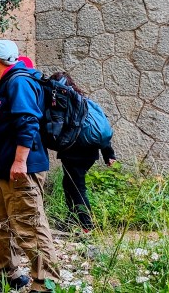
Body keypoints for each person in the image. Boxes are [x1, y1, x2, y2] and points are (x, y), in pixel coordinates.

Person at [0, 40, 59, 293]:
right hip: (4, 168)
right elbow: (0, 120)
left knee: (29, 225)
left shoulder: (19, 82)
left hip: (21, 170)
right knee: (5, 225)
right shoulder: (6, 83)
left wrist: (20, 161)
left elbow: (28, 122)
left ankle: (44, 284)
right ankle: (8, 274)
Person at [50, 72, 116, 233]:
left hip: (74, 153)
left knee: (77, 187)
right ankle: (72, 220)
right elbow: (101, 126)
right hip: (90, 152)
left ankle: (87, 226)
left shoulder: (65, 103)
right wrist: (109, 154)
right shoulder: (85, 101)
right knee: (69, 184)